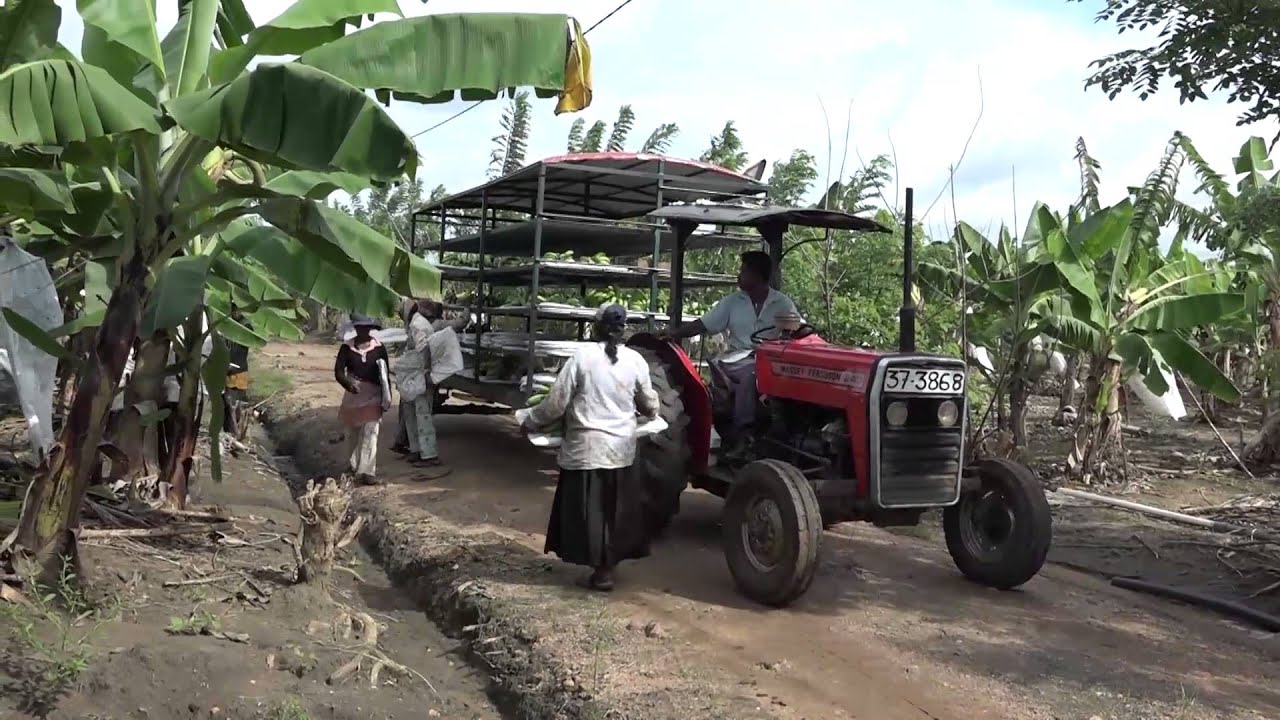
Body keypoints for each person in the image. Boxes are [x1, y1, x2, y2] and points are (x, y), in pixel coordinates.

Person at [518, 305, 660, 591]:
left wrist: (530, 422)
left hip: (587, 449)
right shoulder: (635, 361)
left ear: (596, 328)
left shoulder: (582, 358)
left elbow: (556, 403)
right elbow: (650, 405)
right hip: (621, 450)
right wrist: (647, 411)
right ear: (624, 331)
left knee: (592, 514)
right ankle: (607, 568)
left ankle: (601, 571)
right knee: (614, 511)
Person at [665, 251, 797, 450]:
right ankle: (744, 433)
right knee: (752, 376)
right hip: (737, 359)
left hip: (770, 360)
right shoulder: (733, 302)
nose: (739, 275)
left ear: (759, 275)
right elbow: (703, 324)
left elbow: (799, 331)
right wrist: (674, 333)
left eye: (744, 271)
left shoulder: (782, 303)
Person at [395, 299, 466, 475]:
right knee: (412, 414)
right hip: (414, 374)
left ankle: (429, 455)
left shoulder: (419, 325)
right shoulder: (417, 324)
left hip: (420, 374)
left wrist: (426, 372)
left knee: (422, 415)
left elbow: (424, 349)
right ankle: (416, 450)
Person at [334, 314, 391, 485]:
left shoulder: (379, 348)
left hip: (373, 394)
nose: (363, 331)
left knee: (371, 431)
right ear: (356, 328)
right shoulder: (347, 348)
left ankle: (367, 471)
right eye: (360, 327)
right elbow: (338, 372)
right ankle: (353, 465)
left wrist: (386, 397)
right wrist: (348, 383)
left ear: (371, 329)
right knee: (352, 433)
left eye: (366, 328)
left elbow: (385, 374)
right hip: (353, 395)